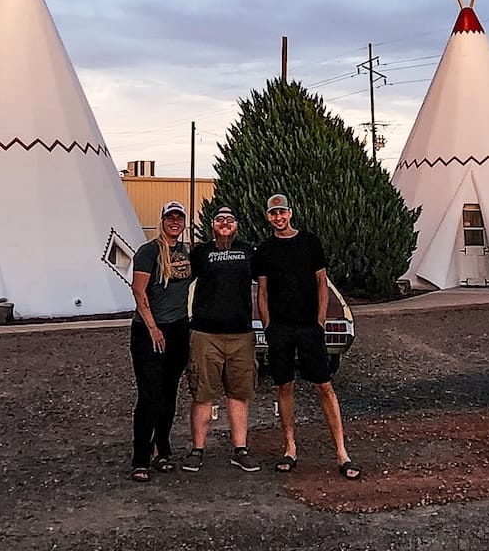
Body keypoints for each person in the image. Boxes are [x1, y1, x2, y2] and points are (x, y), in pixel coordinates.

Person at [253, 193, 361, 480]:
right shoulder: (264, 250)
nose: (279, 217)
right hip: (280, 328)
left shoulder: (310, 242)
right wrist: (268, 326)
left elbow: (321, 283)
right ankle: (290, 448)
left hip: (309, 327)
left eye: (282, 212)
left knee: (324, 386)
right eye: (273, 213)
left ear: (290, 213)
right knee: (284, 386)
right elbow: (262, 291)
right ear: (268, 217)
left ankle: (342, 452)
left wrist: (320, 322)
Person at [179, 205, 261, 473]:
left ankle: (240, 449)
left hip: (241, 334)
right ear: (212, 225)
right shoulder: (200, 253)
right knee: (202, 393)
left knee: (238, 394)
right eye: (220, 219)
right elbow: (179, 281)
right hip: (205, 333)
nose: (225, 223)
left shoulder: (249, 252)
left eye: (230, 219)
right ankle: (197, 449)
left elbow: (268, 281)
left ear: (236, 225)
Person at [127, 201, 194, 482]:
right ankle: (140, 458)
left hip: (178, 328)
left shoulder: (186, 252)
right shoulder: (149, 252)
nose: (174, 222)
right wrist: (153, 327)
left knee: (169, 393)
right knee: (149, 394)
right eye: (170, 218)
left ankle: (162, 450)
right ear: (162, 221)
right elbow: (138, 290)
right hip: (149, 331)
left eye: (179, 218)